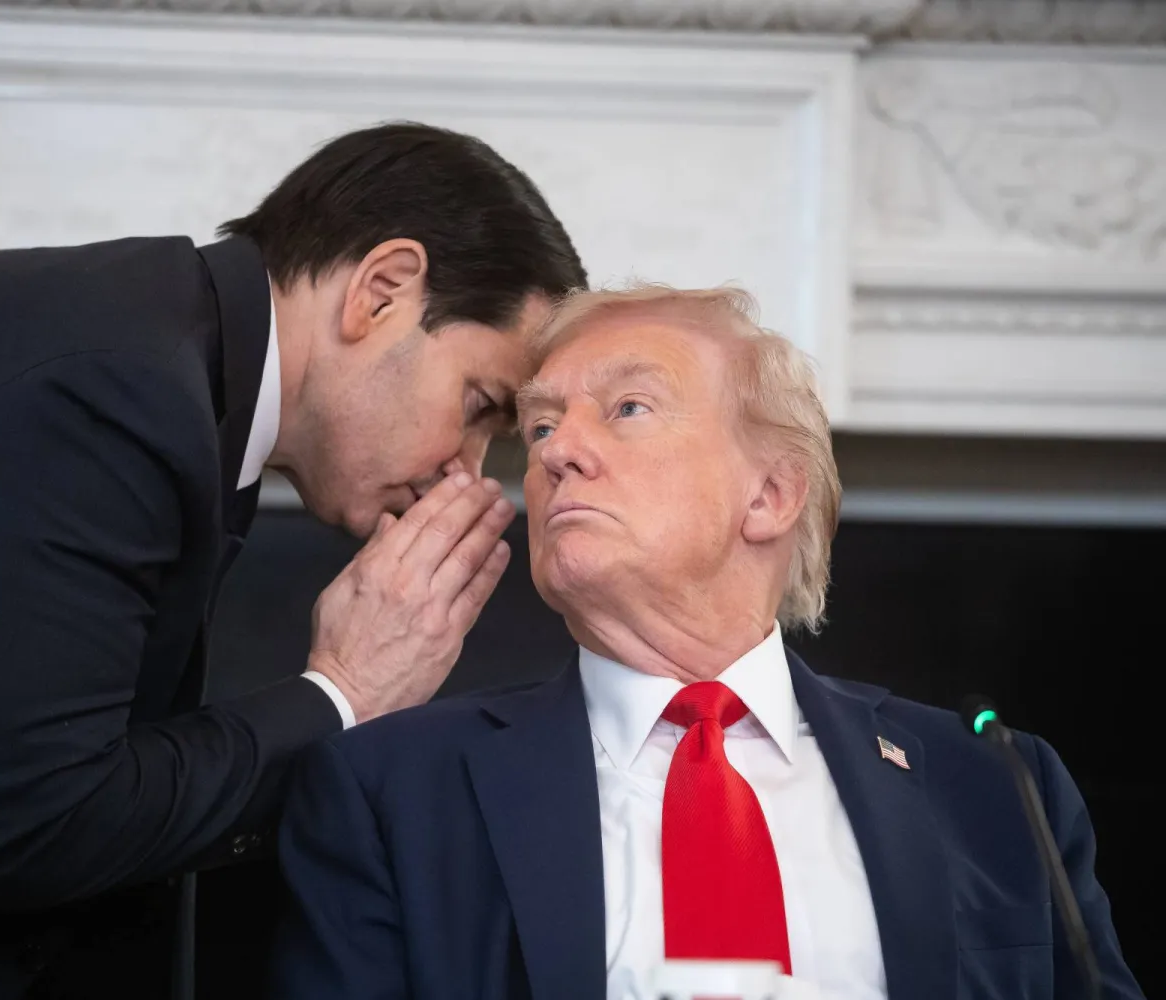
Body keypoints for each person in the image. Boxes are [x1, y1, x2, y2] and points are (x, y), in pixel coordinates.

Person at [0, 122, 586, 1000]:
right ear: (381, 290)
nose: (464, 471)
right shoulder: (117, 387)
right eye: (478, 406)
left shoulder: (166, 352)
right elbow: (39, 825)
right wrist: (343, 693)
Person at [267, 284, 1142, 1000]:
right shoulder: (392, 788)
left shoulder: (994, 784)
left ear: (769, 495)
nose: (558, 450)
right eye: (537, 428)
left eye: (629, 407)